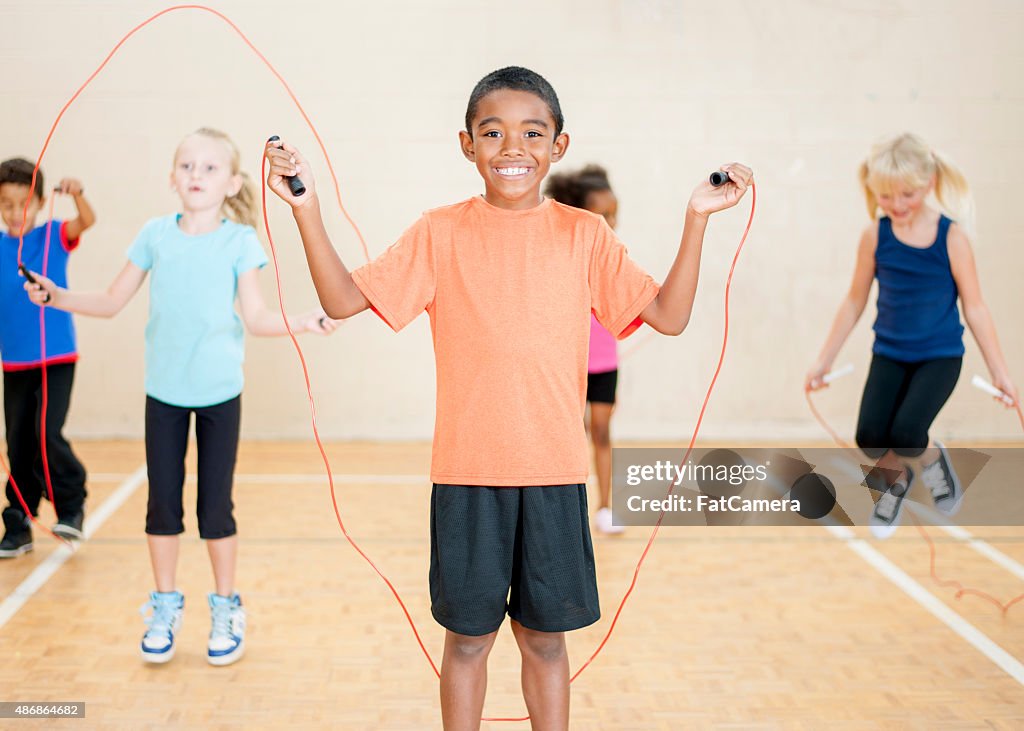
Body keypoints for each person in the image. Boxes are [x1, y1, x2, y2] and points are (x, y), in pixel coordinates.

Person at [266, 66, 751, 730]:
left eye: (532, 132)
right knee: (468, 641)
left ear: (559, 144)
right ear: (467, 144)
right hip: (467, 478)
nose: (512, 148)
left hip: (553, 477)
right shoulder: (438, 232)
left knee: (545, 642)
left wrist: (696, 218)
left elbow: (668, 314)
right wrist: (307, 208)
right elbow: (341, 299)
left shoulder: (584, 235)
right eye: (492, 132)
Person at [24, 128, 337, 666]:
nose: (197, 175)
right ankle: (165, 605)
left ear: (233, 181)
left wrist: (305, 320)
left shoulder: (240, 241)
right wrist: (56, 297)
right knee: (162, 507)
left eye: (210, 168)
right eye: (187, 166)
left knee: (215, 509)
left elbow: (257, 317)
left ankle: (225, 606)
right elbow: (110, 300)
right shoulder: (154, 235)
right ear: (172, 178)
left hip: (220, 395)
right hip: (164, 394)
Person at [805, 132, 1018, 538]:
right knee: (869, 436)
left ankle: (934, 462)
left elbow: (975, 307)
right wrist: (824, 359)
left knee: (906, 435)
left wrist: (1000, 371)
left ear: (929, 184)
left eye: (907, 194)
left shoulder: (951, 238)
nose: (897, 205)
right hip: (889, 353)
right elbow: (854, 301)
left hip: (939, 356)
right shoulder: (874, 236)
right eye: (886, 196)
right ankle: (896, 482)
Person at [0, 158, 94, 557]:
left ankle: (72, 506)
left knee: (46, 432)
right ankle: (19, 522)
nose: (14, 211)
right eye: (5, 203)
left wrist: (77, 195)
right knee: (19, 443)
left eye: (22, 203)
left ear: (39, 203)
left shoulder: (55, 235)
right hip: (15, 364)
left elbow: (85, 222)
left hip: (56, 358)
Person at [545, 165, 623, 535]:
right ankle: (563, 513)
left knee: (602, 430)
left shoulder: (613, 256)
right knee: (569, 436)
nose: (610, 221)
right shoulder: (563, 253)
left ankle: (606, 508)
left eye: (614, 213)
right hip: (567, 363)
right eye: (602, 214)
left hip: (605, 361)